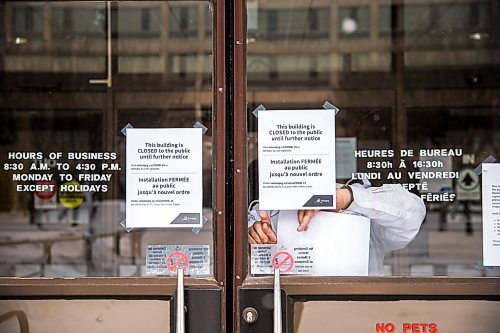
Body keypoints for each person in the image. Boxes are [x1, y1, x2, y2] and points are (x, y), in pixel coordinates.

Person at [248, 180, 427, 276]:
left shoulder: (362, 204)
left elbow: (412, 215)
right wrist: (255, 238)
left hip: (358, 311)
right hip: (290, 312)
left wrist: (347, 198)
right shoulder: (265, 211)